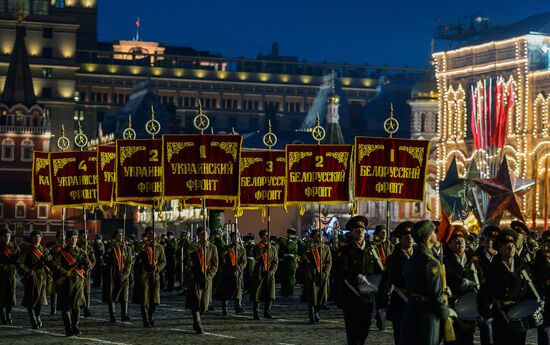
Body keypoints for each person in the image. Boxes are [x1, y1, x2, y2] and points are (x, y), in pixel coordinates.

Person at [477, 229, 537, 345]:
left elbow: (530, 286)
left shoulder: (522, 267)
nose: (510, 248)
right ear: (499, 249)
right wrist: (487, 316)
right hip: (501, 316)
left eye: (512, 246)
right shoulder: (492, 269)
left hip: (520, 315)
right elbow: (483, 295)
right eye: (506, 246)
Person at [399, 220, 451, 345]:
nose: (436, 234)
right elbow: (435, 294)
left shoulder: (414, 257)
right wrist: (446, 313)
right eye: (434, 232)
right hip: (427, 314)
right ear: (428, 236)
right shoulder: (430, 261)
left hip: (411, 309)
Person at [336, 215, 379, 345]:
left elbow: (378, 269)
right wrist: (357, 277)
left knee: (365, 327)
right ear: (352, 232)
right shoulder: (345, 250)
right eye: (356, 230)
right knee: (352, 329)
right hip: (351, 295)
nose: (360, 232)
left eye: (362, 229)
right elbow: (341, 270)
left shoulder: (371, 250)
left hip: (367, 295)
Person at [377, 221, 414, 345]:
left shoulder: (420, 256)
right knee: (401, 336)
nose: (409, 238)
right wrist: (381, 304)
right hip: (401, 300)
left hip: (417, 302)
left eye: (411, 236)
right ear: (400, 239)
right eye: (405, 236)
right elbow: (386, 281)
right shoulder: (393, 259)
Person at [443, 226, 480, 345]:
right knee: (452, 339)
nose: (460, 244)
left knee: (468, 338)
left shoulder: (473, 258)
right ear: (449, 244)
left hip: (469, 305)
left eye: (462, 241)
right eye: (456, 241)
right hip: (452, 305)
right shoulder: (444, 260)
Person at [51, 229, 91, 337]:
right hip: (65, 283)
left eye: (75, 238)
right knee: (65, 307)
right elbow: (54, 265)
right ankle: (68, 329)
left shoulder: (82, 252)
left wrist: (86, 265)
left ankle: (75, 326)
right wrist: (65, 272)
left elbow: (89, 266)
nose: (73, 240)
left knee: (76, 306)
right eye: (71, 238)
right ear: (67, 239)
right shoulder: (61, 252)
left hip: (77, 283)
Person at [185, 226, 218, 334]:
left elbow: (215, 264)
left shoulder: (213, 248)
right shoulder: (194, 246)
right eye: (201, 234)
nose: (203, 236)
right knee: (195, 301)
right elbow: (188, 252)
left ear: (209, 235)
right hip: (195, 277)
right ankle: (198, 323)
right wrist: (197, 247)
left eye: (205, 234)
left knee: (204, 304)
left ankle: (197, 320)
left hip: (206, 278)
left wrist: (209, 276)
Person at [132, 226, 166, 328]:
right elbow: (137, 254)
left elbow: (163, 261)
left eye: (153, 233)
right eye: (149, 233)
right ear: (146, 235)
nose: (151, 235)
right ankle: (146, 319)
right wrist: (143, 248)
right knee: (144, 300)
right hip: (144, 275)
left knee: (154, 300)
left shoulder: (159, 247)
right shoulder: (142, 246)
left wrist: (157, 268)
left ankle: (151, 314)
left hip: (154, 275)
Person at [18, 230, 51, 329]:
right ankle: (33, 320)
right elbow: (19, 262)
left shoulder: (45, 251)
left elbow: (51, 263)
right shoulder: (27, 250)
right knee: (30, 300)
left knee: (39, 300)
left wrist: (48, 262)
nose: (37, 239)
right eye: (35, 237)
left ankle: (37, 316)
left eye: (39, 237)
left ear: (41, 238)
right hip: (31, 279)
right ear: (32, 239)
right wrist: (29, 271)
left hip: (41, 278)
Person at [102, 229, 133, 323]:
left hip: (123, 272)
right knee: (111, 294)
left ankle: (124, 314)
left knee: (124, 294)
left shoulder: (127, 248)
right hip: (112, 272)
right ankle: (112, 315)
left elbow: (129, 262)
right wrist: (112, 248)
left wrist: (125, 274)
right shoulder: (110, 247)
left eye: (122, 235)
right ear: (115, 237)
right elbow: (106, 257)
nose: (121, 237)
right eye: (119, 236)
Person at [302, 229, 332, 324]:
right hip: (312, 273)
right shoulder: (308, 247)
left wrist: (325, 273)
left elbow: (329, 262)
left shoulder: (325, 248)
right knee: (312, 295)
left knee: (321, 296)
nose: (319, 237)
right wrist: (308, 252)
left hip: (322, 273)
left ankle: (317, 312)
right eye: (317, 235)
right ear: (312, 237)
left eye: (320, 235)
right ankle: (311, 314)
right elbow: (303, 258)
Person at [214, 230, 246, 316]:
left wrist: (239, 267)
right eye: (233, 237)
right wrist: (227, 251)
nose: (235, 239)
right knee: (226, 291)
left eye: (237, 237)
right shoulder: (227, 247)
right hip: (227, 272)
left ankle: (238, 307)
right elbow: (222, 257)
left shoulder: (242, 249)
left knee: (238, 290)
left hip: (237, 273)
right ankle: (225, 308)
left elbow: (244, 261)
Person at [250, 229, 279, 320]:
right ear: (261, 237)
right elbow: (256, 256)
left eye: (267, 236)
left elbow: (275, 261)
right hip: (259, 270)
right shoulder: (257, 247)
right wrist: (264, 249)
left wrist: (272, 271)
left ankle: (267, 311)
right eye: (264, 236)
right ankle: (256, 313)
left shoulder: (273, 248)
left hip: (269, 272)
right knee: (257, 293)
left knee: (270, 293)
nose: (266, 238)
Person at [0, 227, 19, 325]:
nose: (7, 237)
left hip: (11, 275)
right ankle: (3, 316)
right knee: (1, 295)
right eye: (5, 235)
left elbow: (19, 259)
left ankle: (8, 314)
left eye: (8, 235)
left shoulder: (14, 247)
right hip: (1, 275)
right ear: (1, 237)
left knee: (11, 295)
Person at [78, 229, 96, 317]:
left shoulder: (89, 248)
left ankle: (86, 309)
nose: (83, 237)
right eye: (82, 235)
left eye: (85, 235)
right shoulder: (77, 246)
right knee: (78, 291)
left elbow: (93, 260)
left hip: (86, 273)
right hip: (77, 272)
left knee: (86, 292)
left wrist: (89, 268)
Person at [47, 230, 65, 315]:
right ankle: (53, 308)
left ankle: (61, 307)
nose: (61, 237)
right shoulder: (52, 245)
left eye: (63, 235)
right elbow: (49, 254)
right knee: (53, 291)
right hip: (55, 270)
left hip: (64, 271)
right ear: (57, 236)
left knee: (63, 291)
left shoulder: (66, 246)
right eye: (60, 235)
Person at [278, 228, 299, 297]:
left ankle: (290, 291)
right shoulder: (284, 240)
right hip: (285, 260)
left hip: (292, 260)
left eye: (290, 234)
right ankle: (284, 291)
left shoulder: (296, 241)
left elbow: (300, 250)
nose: (289, 235)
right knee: (284, 277)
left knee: (291, 278)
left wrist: (298, 259)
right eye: (288, 233)